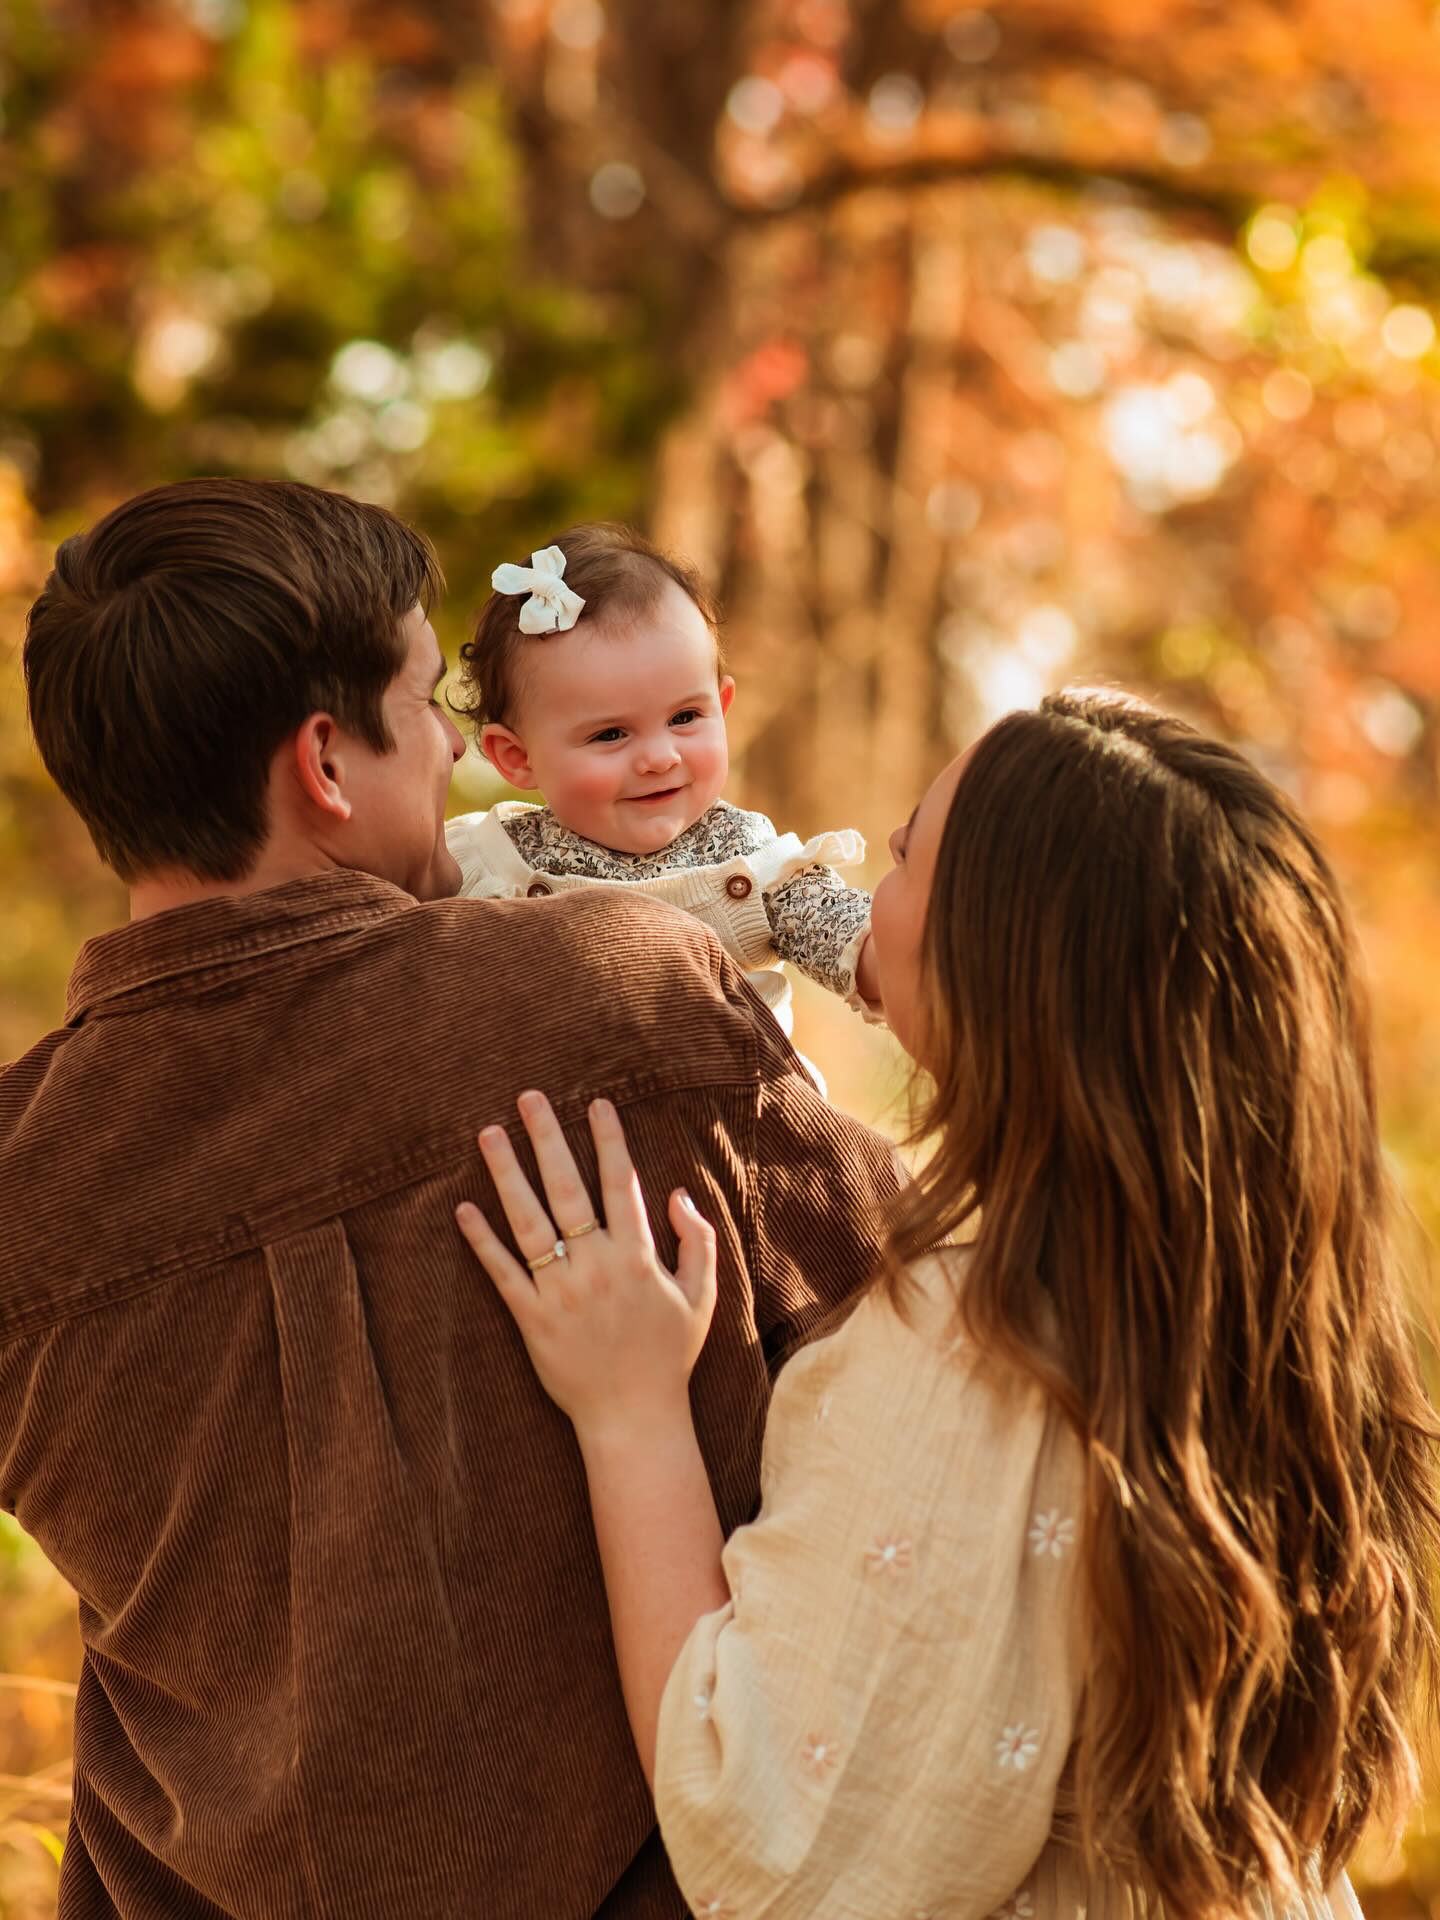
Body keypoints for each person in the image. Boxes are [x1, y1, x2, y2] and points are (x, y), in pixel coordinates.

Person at [2, 476, 901, 1919]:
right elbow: (938, 1310)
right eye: (425, 709)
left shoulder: (21, 1188)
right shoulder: (612, 994)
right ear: (325, 764)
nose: (453, 755)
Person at [458, 688, 1440, 1920]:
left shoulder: (987, 1332)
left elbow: (767, 1836)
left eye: (909, 852)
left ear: (998, 957)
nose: (875, 893)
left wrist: (627, 1411)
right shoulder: (1255, 1294)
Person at [444, 524, 882, 1038]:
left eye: (684, 718)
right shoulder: (483, 859)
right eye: (610, 734)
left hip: (732, 1112)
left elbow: (852, 937)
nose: (658, 757)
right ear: (517, 757)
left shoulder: (751, 862)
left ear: (721, 708)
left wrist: (905, 961)